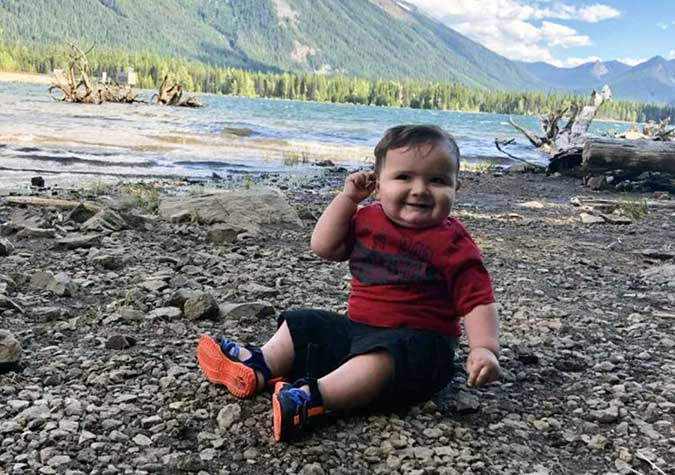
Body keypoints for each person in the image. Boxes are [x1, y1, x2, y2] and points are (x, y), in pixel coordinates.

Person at [196, 124, 500, 442]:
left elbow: (478, 300)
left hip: (420, 350)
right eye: (404, 177)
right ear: (378, 186)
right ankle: (260, 366)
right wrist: (348, 199)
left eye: (437, 180)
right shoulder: (366, 219)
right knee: (304, 321)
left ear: (456, 187)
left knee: (388, 353)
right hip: (358, 332)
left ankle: (312, 399)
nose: (420, 189)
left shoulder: (453, 242)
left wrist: (484, 348)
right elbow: (324, 246)